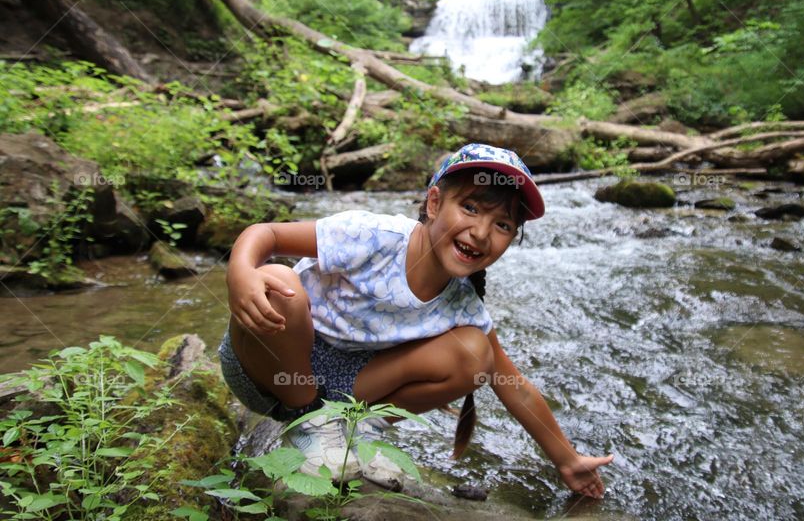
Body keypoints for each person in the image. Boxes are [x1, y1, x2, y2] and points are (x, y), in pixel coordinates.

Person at [219, 143, 613, 498]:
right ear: (434, 203)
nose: (480, 233)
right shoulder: (374, 236)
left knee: (475, 354)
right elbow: (266, 233)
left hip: (346, 389)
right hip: (269, 365)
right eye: (471, 208)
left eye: (503, 225)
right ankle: (308, 424)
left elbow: (515, 387)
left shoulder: (463, 305)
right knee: (277, 282)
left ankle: (359, 431)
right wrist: (241, 273)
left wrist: (567, 459)